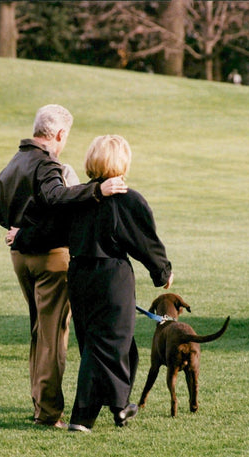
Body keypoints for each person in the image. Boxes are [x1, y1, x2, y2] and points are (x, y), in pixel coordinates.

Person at [0, 105, 127, 429]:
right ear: (59, 134)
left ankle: (39, 402)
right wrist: (97, 189)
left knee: (40, 331)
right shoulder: (47, 164)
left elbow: (0, 211)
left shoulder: (14, 162)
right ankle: (48, 413)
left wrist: (19, 230)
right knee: (54, 336)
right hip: (51, 259)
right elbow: (57, 197)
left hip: (20, 257)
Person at [66, 135, 174, 432]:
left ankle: (120, 406)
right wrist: (163, 273)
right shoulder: (126, 199)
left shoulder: (76, 197)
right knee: (104, 347)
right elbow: (145, 241)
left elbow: (51, 227)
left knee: (114, 345)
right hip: (112, 278)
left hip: (78, 276)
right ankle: (83, 418)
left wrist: (21, 236)